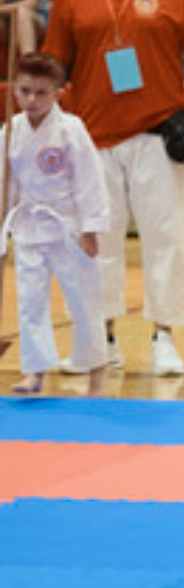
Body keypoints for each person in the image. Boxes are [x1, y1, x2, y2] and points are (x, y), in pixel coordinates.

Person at [43, 0, 184, 377]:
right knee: (94, 242)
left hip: (158, 133)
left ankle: (164, 337)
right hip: (92, 136)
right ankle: (100, 340)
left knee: (168, 237)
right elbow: (55, 65)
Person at [2, 53, 110, 396]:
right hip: (29, 228)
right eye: (25, 91)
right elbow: (6, 187)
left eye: (41, 93)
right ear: (14, 90)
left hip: (68, 228)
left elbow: (89, 180)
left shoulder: (70, 128)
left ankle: (98, 372)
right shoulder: (10, 130)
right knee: (30, 301)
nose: (31, 100)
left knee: (83, 299)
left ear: (59, 93)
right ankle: (35, 372)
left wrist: (90, 229)